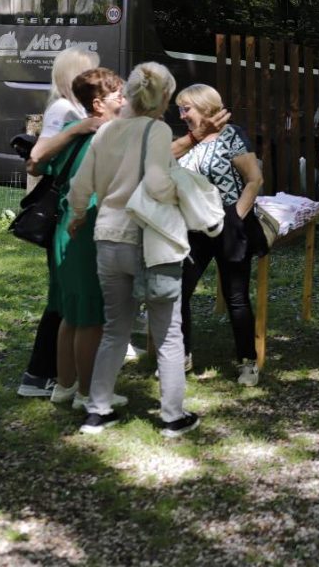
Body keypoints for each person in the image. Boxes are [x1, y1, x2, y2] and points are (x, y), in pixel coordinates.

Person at [66, 62, 199, 437]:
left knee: (115, 329)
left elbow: (80, 185)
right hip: (149, 241)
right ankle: (173, 417)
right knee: (168, 332)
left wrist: (78, 215)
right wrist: (184, 192)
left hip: (108, 237)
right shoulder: (156, 130)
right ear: (165, 97)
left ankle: (98, 410)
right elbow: (157, 184)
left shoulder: (105, 130)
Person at [31, 68, 126, 408]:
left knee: (71, 312)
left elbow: (36, 164)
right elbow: (36, 161)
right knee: (89, 315)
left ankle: (65, 386)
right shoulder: (99, 134)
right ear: (98, 104)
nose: (125, 101)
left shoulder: (75, 130)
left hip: (66, 230)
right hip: (85, 229)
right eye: (119, 96)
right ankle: (88, 393)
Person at [17, 48, 102, 397]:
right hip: (63, 213)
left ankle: (54, 375)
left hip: (72, 212)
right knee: (62, 300)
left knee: (64, 299)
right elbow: (38, 159)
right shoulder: (63, 110)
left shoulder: (72, 108)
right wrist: (81, 126)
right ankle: (40, 375)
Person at [176, 84, 266, 386]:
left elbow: (254, 179)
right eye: (180, 109)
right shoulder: (188, 141)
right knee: (179, 290)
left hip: (228, 222)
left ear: (204, 106)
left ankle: (247, 362)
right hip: (193, 226)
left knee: (236, 297)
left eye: (186, 108)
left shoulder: (231, 133)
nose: (182, 114)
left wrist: (236, 216)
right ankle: (182, 355)